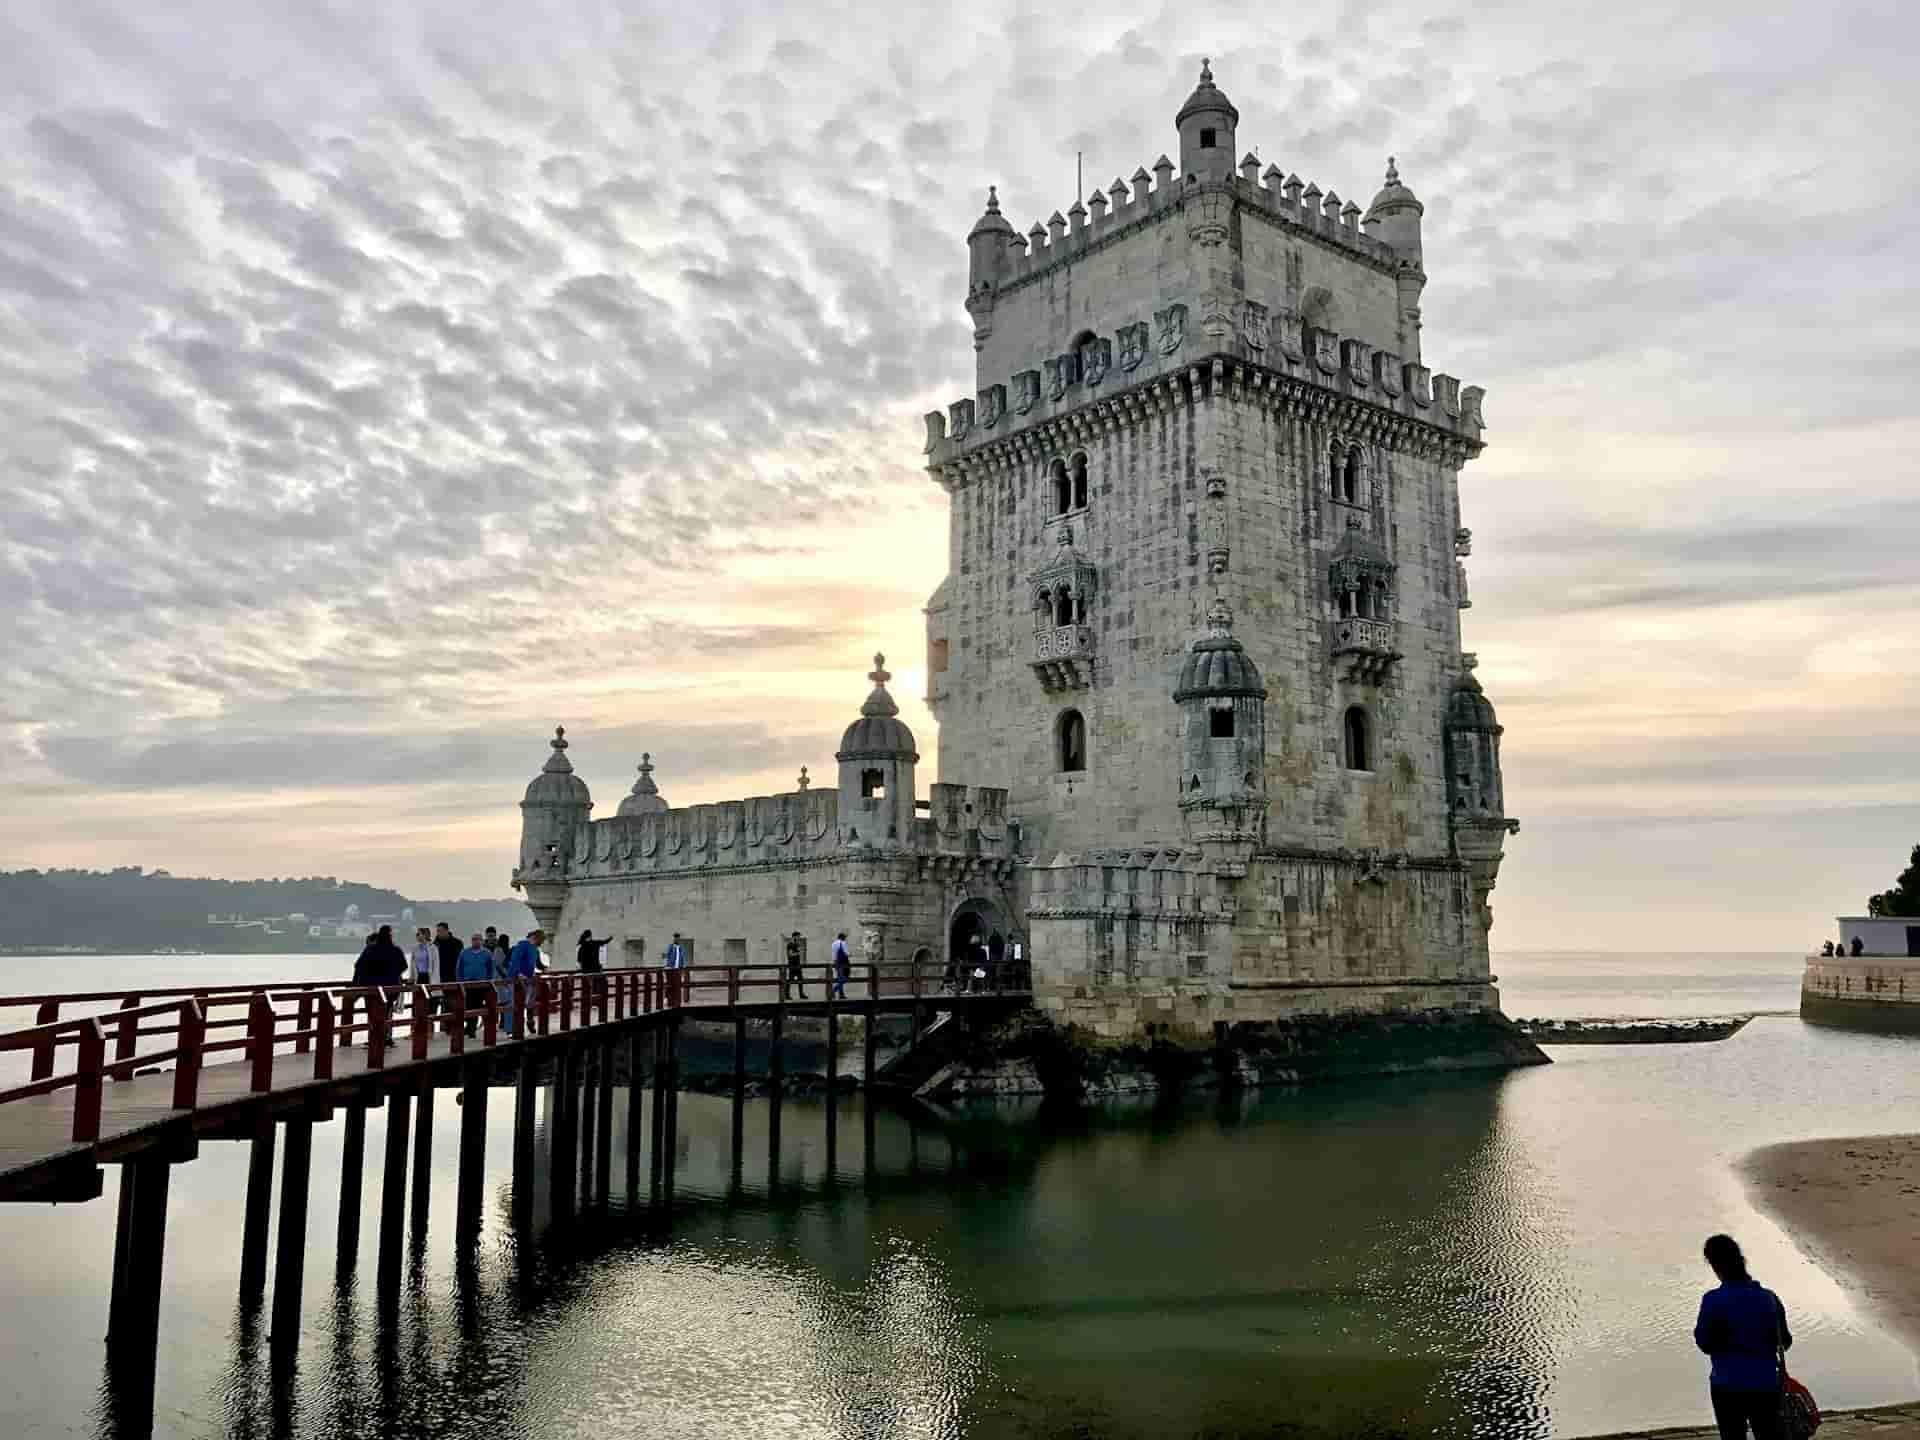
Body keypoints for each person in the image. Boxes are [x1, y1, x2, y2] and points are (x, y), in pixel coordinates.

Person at [1694, 1233, 1790, 1440]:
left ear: (1715, 1265)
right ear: (1741, 1261)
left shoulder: (1713, 1300)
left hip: (1727, 1384)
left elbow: (1704, 1344)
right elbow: (1785, 1341)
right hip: (1766, 1383)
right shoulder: (1769, 1298)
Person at [504, 929, 545, 1035]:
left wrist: (544, 970)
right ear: (535, 938)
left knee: (528, 1003)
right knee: (513, 1003)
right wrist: (518, 974)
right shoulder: (522, 946)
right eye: (541, 940)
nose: (542, 943)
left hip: (528, 979)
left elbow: (537, 964)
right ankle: (510, 1029)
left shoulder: (535, 949)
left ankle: (528, 1023)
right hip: (515, 979)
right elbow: (514, 961)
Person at [457, 932, 494, 1036]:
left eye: (478, 939)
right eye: (473, 939)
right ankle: (470, 1027)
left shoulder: (487, 953)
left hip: (481, 984)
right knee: (468, 1006)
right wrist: (460, 981)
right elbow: (459, 968)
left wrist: (488, 981)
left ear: (482, 941)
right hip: (467, 984)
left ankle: (471, 1029)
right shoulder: (464, 952)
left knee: (477, 1006)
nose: (475, 941)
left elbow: (491, 968)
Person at [433, 921, 463, 1012]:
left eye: (440, 931)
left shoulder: (457, 943)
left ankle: (447, 1020)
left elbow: (459, 961)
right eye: (437, 931)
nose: (438, 933)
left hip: (452, 978)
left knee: (449, 1005)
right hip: (437, 978)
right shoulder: (434, 944)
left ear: (447, 931)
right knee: (434, 1003)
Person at [785, 930, 807, 998]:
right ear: (794, 936)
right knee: (790, 980)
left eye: (799, 937)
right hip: (792, 965)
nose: (799, 938)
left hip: (798, 965)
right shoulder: (790, 944)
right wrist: (799, 953)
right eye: (798, 936)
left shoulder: (797, 944)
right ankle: (787, 994)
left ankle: (801, 994)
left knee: (800, 979)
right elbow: (790, 954)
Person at [831, 930, 850, 1000]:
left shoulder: (833, 943)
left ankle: (841, 994)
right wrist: (850, 954)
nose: (845, 938)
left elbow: (833, 955)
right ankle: (833, 990)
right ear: (842, 937)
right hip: (843, 962)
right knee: (845, 978)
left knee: (840, 978)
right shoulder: (843, 943)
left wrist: (834, 962)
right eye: (845, 937)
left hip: (836, 962)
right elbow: (846, 953)